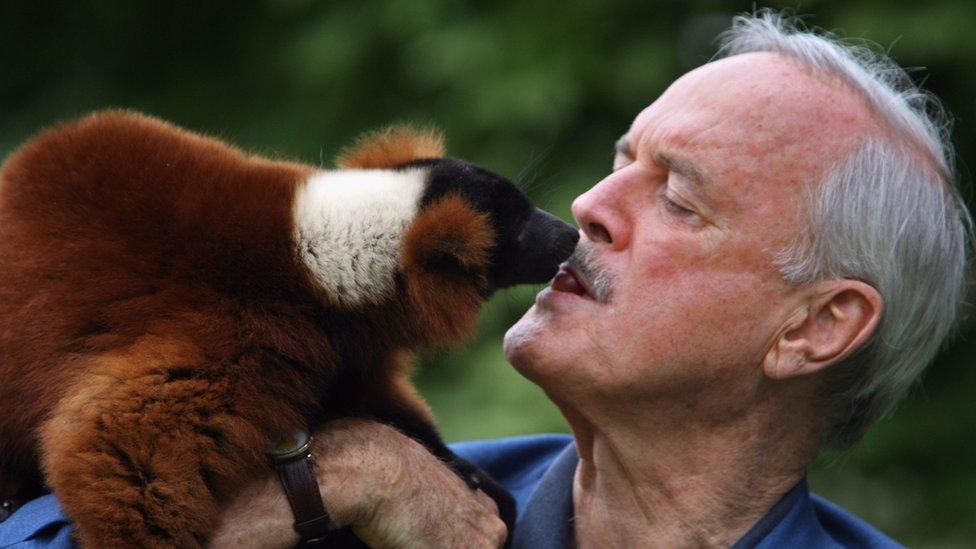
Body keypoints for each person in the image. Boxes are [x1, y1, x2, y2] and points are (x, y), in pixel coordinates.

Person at [1, 10, 970, 549]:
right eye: (621, 158)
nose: (590, 203)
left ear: (816, 327)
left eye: (678, 197)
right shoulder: (393, 491)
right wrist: (321, 487)